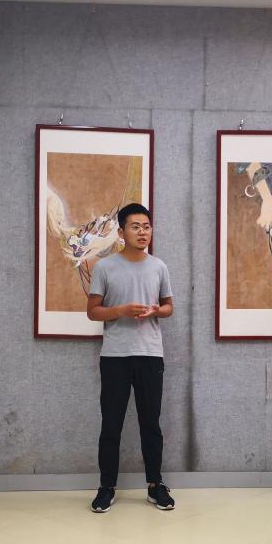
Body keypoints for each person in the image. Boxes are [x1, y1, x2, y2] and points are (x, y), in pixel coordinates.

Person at [86, 203, 174, 512]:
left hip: (150, 354)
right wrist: (120, 310)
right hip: (115, 356)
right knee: (111, 424)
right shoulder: (105, 267)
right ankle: (106, 486)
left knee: (151, 424)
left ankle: (155, 485)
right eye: (135, 226)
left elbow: (169, 307)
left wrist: (157, 310)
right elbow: (92, 311)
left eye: (147, 226)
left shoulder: (159, 267)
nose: (143, 232)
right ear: (122, 232)